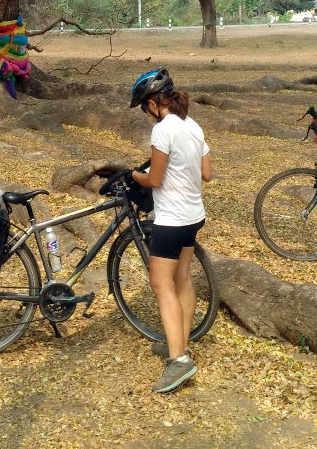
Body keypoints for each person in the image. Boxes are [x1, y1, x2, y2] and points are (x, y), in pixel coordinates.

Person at [127, 67, 214, 394]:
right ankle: (180, 342)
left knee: (161, 284)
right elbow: (207, 173)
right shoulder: (193, 127)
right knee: (183, 280)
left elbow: (155, 180)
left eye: (142, 107)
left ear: (152, 103)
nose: (145, 114)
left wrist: (136, 175)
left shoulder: (163, 131)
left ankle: (178, 361)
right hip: (194, 216)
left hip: (171, 221)